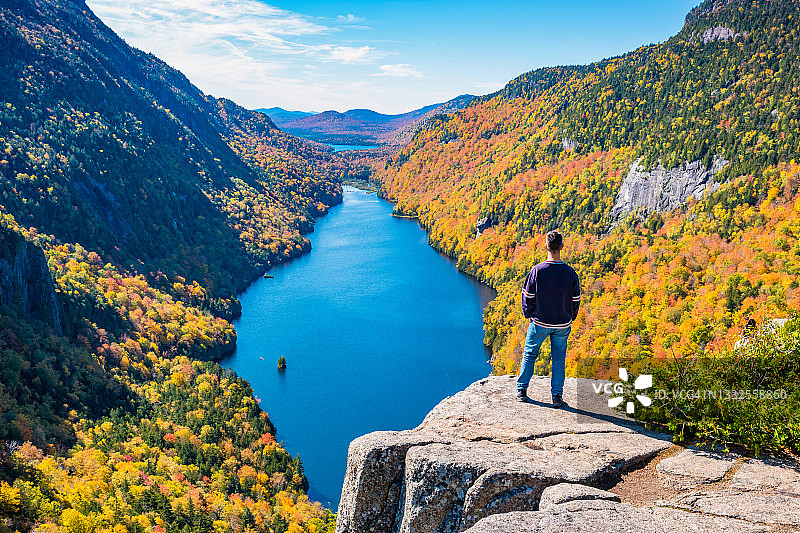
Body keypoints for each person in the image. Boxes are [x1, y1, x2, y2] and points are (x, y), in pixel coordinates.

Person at [516, 230, 581, 408]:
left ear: (546, 246)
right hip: (562, 323)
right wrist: (571, 317)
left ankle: (522, 390)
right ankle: (557, 396)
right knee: (559, 358)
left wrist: (528, 315)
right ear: (562, 247)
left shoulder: (537, 271)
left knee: (530, 354)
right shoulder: (570, 273)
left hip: (539, 322)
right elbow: (576, 299)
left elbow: (527, 296)